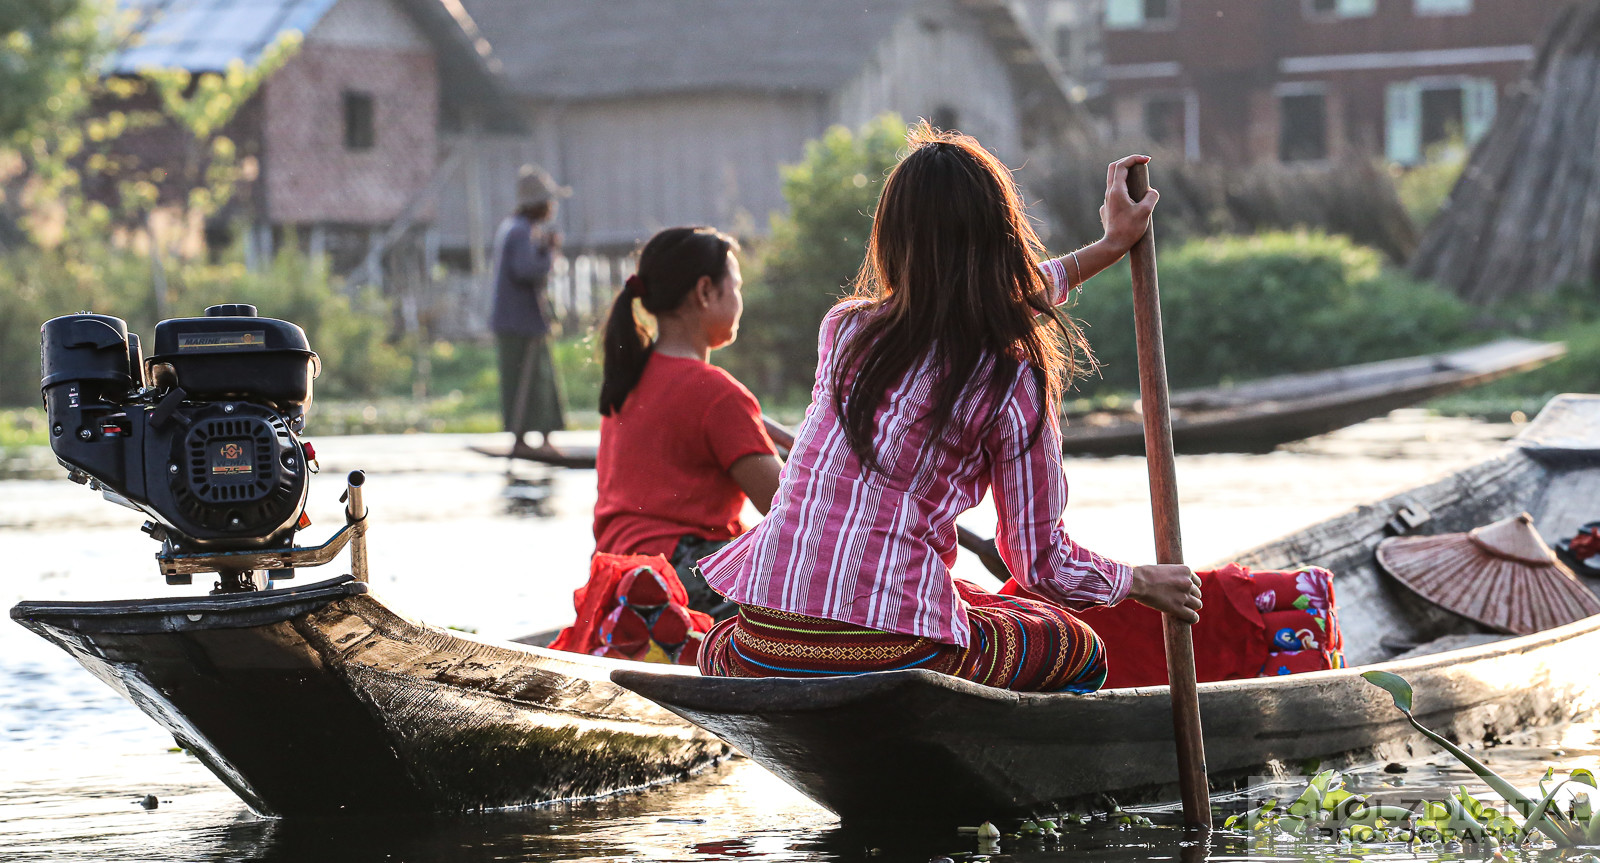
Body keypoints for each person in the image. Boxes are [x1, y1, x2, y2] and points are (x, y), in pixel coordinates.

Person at [695, 126, 1203, 693]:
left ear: (889, 241)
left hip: (760, 643)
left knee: (721, 641)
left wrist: (1109, 247)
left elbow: (982, 299)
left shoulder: (845, 329)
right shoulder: (1012, 378)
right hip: (882, 654)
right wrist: (1138, 582)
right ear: (1004, 239)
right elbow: (1038, 566)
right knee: (1074, 647)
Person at [592, 227, 784, 617]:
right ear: (705, 292)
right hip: (679, 579)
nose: (740, 300)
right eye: (737, 286)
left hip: (611, 579)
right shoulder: (717, 394)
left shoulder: (630, 377)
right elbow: (792, 511)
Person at [490, 164, 569, 460]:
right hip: (519, 322)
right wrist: (548, 253)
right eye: (549, 202)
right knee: (528, 380)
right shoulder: (520, 232)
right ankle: (526, 441)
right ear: (538, 205)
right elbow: (526, 270)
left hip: (522, 321)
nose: (552, 208)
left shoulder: (517, 229)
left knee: (537, 378)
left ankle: (538, 438)